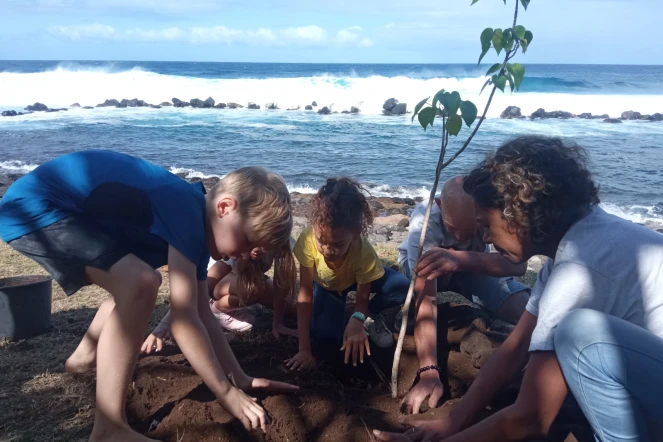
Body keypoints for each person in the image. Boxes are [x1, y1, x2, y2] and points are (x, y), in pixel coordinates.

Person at [374, 136, 663, 442]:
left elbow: (530, 418)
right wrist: (453, 422)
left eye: (485, 224)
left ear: (519, 212)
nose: (484, 236)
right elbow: (515, 347)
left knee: (579, 335)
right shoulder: (575, 246)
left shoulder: (579, 270)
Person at [0, 151, 298, 442]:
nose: (246, 255)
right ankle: (109, 429)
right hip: (35, 207)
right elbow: (183, 321)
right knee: (140, 283)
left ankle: (82, 359)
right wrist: (226, 392)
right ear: (224, 208)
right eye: (247, 241)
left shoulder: (197, 223)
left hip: (59, 210)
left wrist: (239, 378)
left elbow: (201, 314)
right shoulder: (185, 209)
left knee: (132, 284)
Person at [397, 175, 530, 415]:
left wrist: (458, 258)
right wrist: (428, 370)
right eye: (452, 228)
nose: (459, 238)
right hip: (423, 267)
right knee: (425, 281)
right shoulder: (424, 222)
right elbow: (427, 300)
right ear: (438, 205)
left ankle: (549, 330)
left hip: (467, 267)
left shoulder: (490, 215)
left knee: (501, 292)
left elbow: (518, 265)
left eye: (469, 230)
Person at [285, 177, 410, 370]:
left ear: (356, 233)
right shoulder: (307, 240)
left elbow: (361, 300)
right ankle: (344, 319)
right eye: (322, 241)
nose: (327, 250)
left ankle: (372, 318)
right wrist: (304, 349)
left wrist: (358, 317)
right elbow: (305, 296)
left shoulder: (363, 252)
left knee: (402, 286)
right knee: (324, 337)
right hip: (327, 287)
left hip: (357, 280)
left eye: (337, 245)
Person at [142, 244, 298, 353]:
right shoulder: (239, 242)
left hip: (251, 280)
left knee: (294, 310)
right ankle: (217, 310)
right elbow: (205, 283)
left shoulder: (281, 240)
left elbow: (280, 285)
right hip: (217, 285)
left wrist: (278, 323)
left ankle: (238, 302)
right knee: (254, 288)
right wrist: (166, 322)